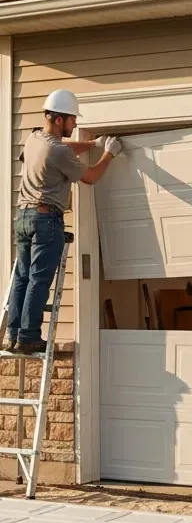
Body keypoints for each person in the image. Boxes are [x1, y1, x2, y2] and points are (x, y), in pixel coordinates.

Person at [4, 89, 123, 355]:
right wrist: (109, 154)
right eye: (72, 120)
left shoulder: (35, 138)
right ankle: (29, 337)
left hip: (23, 216)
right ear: (59, 119)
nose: (75, 124)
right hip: (46, 219)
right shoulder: (57, 151)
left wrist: (92, 146)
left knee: (23, 277)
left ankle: (13, 335)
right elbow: (90, 176)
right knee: (38, 279)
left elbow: (64, 148)